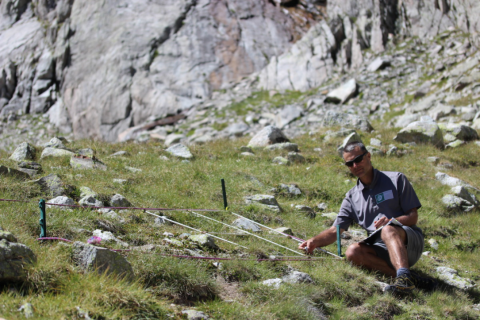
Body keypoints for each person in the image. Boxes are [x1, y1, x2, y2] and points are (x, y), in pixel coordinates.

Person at [299, 141, 437, 294]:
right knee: (352, 252)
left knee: (387, 230)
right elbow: (335, 231)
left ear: (369, 156)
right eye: (350, 164)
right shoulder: (351, 197)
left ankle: (403, 277)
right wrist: (314, 241)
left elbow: (413, 216)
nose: (355, 166)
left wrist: (392, 222)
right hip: (379, 248)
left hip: (409, 242)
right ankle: (409, 279)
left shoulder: (396, 179)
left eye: (358, 160)